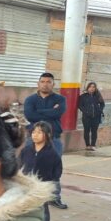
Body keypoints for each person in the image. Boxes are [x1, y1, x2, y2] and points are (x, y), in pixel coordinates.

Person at [24, 72, 67, 209]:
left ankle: (54, 197)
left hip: (53, 139)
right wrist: (50, 111)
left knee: (53, 169)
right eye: (43, 81)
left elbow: (58, 113)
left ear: (53, 84)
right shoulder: (30, 99)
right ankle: (29, 196)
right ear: (38, 83)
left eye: (49, 82)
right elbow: (30, 115)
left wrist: (40, 112)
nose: (45, 84)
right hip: (33, 139)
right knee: (30, 167)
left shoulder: (60, 99)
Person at [20, 121, 61, 221]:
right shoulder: (26, 150)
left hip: (42, 187)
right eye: (33, 132)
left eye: (39, 132)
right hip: (26, 186)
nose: (35, 135)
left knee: (42, 210)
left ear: (47, 135)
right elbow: (19, 166)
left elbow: (57, 171)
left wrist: (48, 184)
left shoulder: (52, 154)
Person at [78, 82, 105, 151]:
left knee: (94, 131)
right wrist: (85, 111)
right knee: (86, 131)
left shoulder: (97, 96)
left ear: (95, 88)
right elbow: (80, 105)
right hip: (86, 117)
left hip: (96, 117)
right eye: (90, 87)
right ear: (88, 88)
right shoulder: (83, 96)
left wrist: (99, 111)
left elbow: (102, 104)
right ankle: (87, 145)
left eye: (93, 87)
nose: (92, 88)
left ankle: (93, 145)